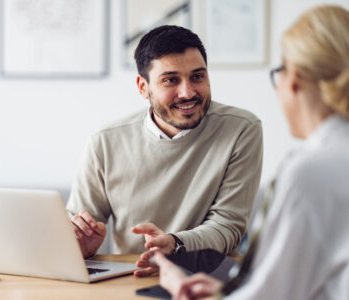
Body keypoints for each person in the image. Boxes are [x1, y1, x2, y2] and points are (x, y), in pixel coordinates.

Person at [152, 5, 349, 299]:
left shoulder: (310, 172)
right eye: (171, 80)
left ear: (292, 79)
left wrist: (182, 287)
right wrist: (227, 289)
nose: (187, 93)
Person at [66, 25, 263, 276]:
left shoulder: (241, 129)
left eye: (197, 76)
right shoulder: (105, 140)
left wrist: (175, 243)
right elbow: (79, 225)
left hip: (208, 278)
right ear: (143, 87)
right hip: (131, 276)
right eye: (171, 80)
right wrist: (80, 244)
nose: (188, 92)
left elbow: (228, 225)